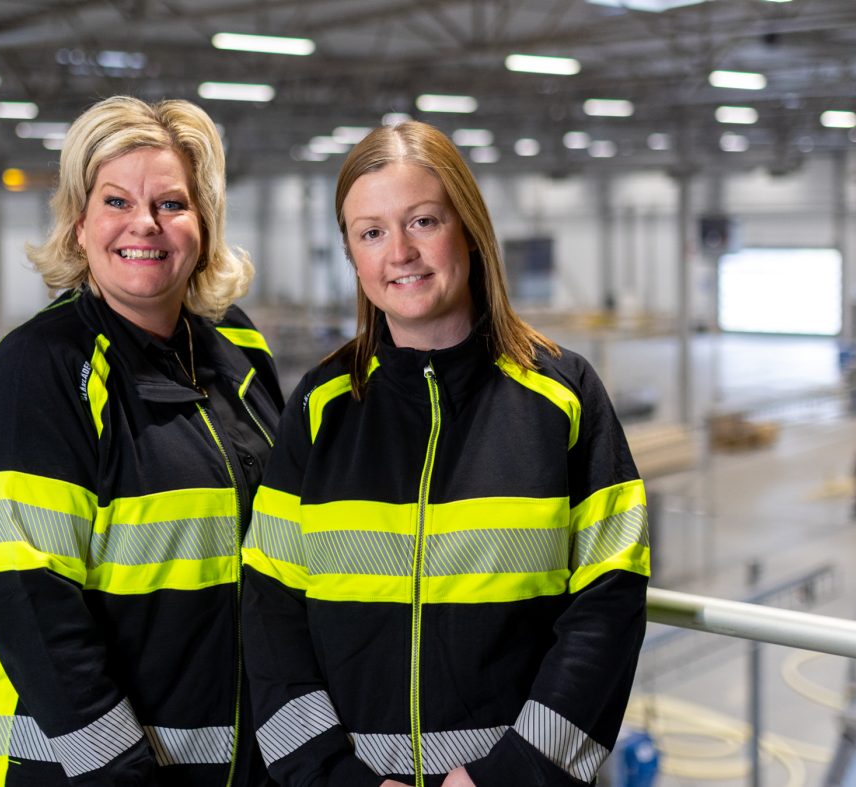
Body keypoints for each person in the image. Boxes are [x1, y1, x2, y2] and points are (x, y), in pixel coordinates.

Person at [241, 121, 649, 787]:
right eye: (371, 232)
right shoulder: (320, 408)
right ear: (352, 254)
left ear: (470, 227)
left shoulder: (564, 398)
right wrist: (334, 777)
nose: (399, 251)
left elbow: (608, 605)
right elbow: (269, 612)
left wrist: (508, 775)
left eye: (422, 220)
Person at [0, 95, 283, 786]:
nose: (145, 224)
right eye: (115, 201)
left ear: (204, 223)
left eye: (171, 203)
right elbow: (30, 602)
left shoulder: (237, 347)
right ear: (79, 223)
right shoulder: (39, 373)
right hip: (78, 771)